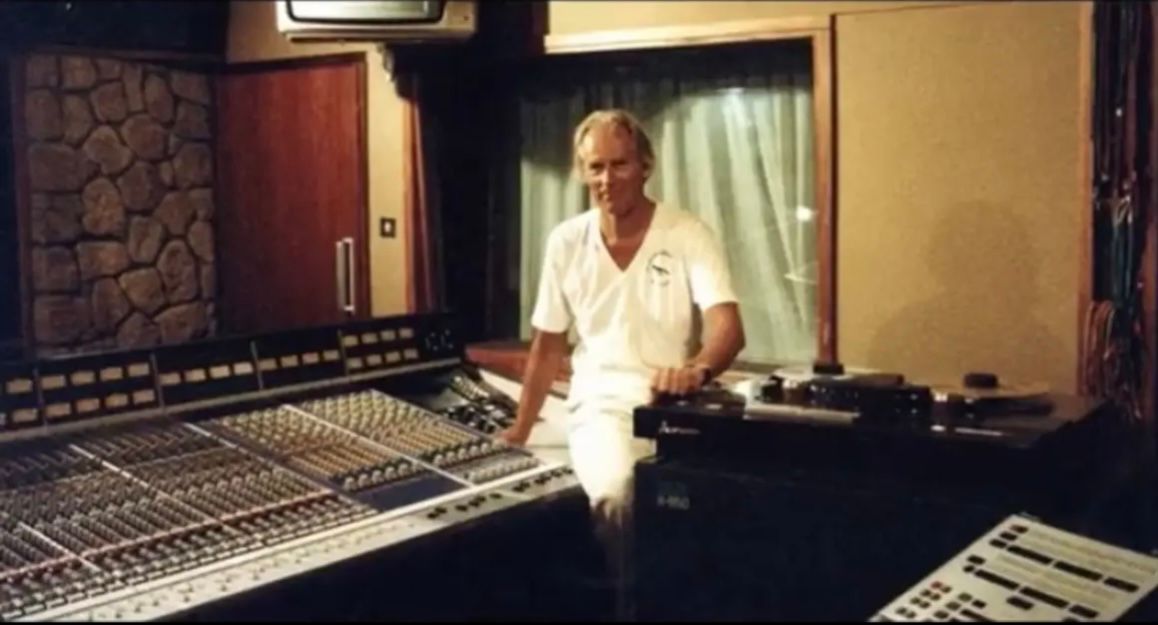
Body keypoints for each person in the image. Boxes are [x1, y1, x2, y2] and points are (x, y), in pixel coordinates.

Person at [501, 109, 746, 619]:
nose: (606, 179)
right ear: (581, 171)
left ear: (645, 166)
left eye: (619, 164)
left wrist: (697, 369)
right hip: (602, 407)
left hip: (674, 404)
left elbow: (727, 327)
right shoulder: (566, 241)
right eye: (595, 167)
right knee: (616, 496)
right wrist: (521, 428)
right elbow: (548, 344)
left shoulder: (686, 232)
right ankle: (633, 607)